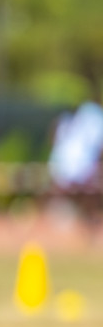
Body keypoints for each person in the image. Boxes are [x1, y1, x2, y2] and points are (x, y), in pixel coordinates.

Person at [47, 100, 103, 238]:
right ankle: (86, 219)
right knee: (90, 192)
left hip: (63, 166)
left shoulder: (71, 121)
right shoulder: (94, 120)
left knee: (84, 193)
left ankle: (77, 215)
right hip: (79, 166)